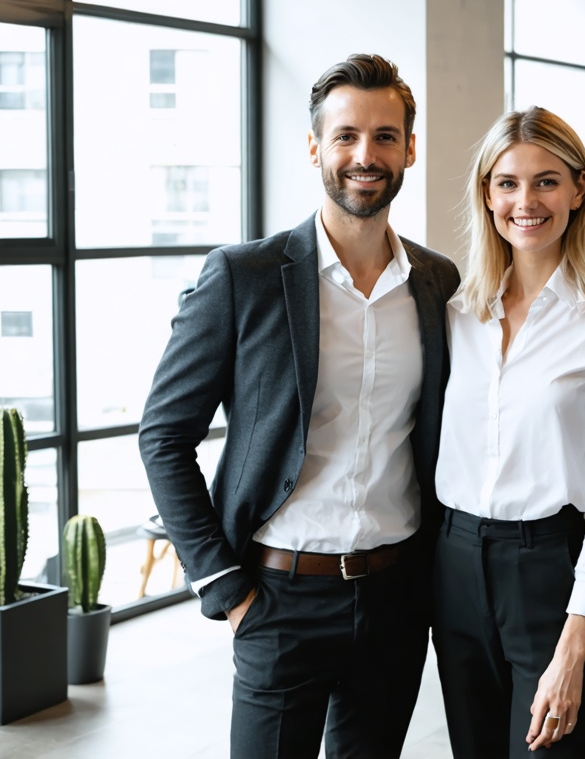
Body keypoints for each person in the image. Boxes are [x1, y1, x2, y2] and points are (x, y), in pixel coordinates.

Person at [138, 54, 460, 759]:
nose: (364, 155)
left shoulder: (437, 283)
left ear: (410, 148)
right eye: (345, 136)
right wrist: (223, 584)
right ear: (315, 147)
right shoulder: (243, 277)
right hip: (279, 598)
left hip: (396, 597)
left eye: (383, 136)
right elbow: (164, 434)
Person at [432, 106, 585, 758]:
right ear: (486, 194)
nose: (525, 201)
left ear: (579, 190)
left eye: (546, 181)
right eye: (507, 183)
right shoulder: (456, 314)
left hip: (550, 571)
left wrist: (576, 642)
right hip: (453, 565)